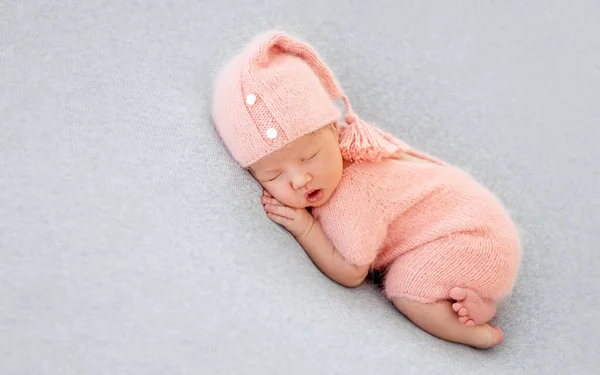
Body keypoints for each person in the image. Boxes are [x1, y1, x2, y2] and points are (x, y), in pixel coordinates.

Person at [212, 31, 521, 349]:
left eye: (309, 157)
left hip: (474, 240)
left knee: (406, 286)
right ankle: (474, 300)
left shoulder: (355, 190)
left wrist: (305, 228)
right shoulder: (336, 166)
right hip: (476, 237)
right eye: (274, 175)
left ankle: (478, 334)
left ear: (335, 130)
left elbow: (350, 272)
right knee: (419, 274)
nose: (300, 179)